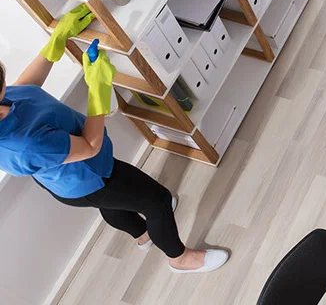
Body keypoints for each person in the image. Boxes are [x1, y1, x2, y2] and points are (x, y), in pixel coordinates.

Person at [0, 20, 228, 273]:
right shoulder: (23, 145)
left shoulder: (3, 103)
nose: (6, 83)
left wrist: (56, 43)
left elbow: (23, 90)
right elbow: (89, 146)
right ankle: (180, 259)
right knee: (158, 201)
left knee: (111, 203)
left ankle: (144, 235)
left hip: (69, 178)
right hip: (88, 175)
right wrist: (98, 89)